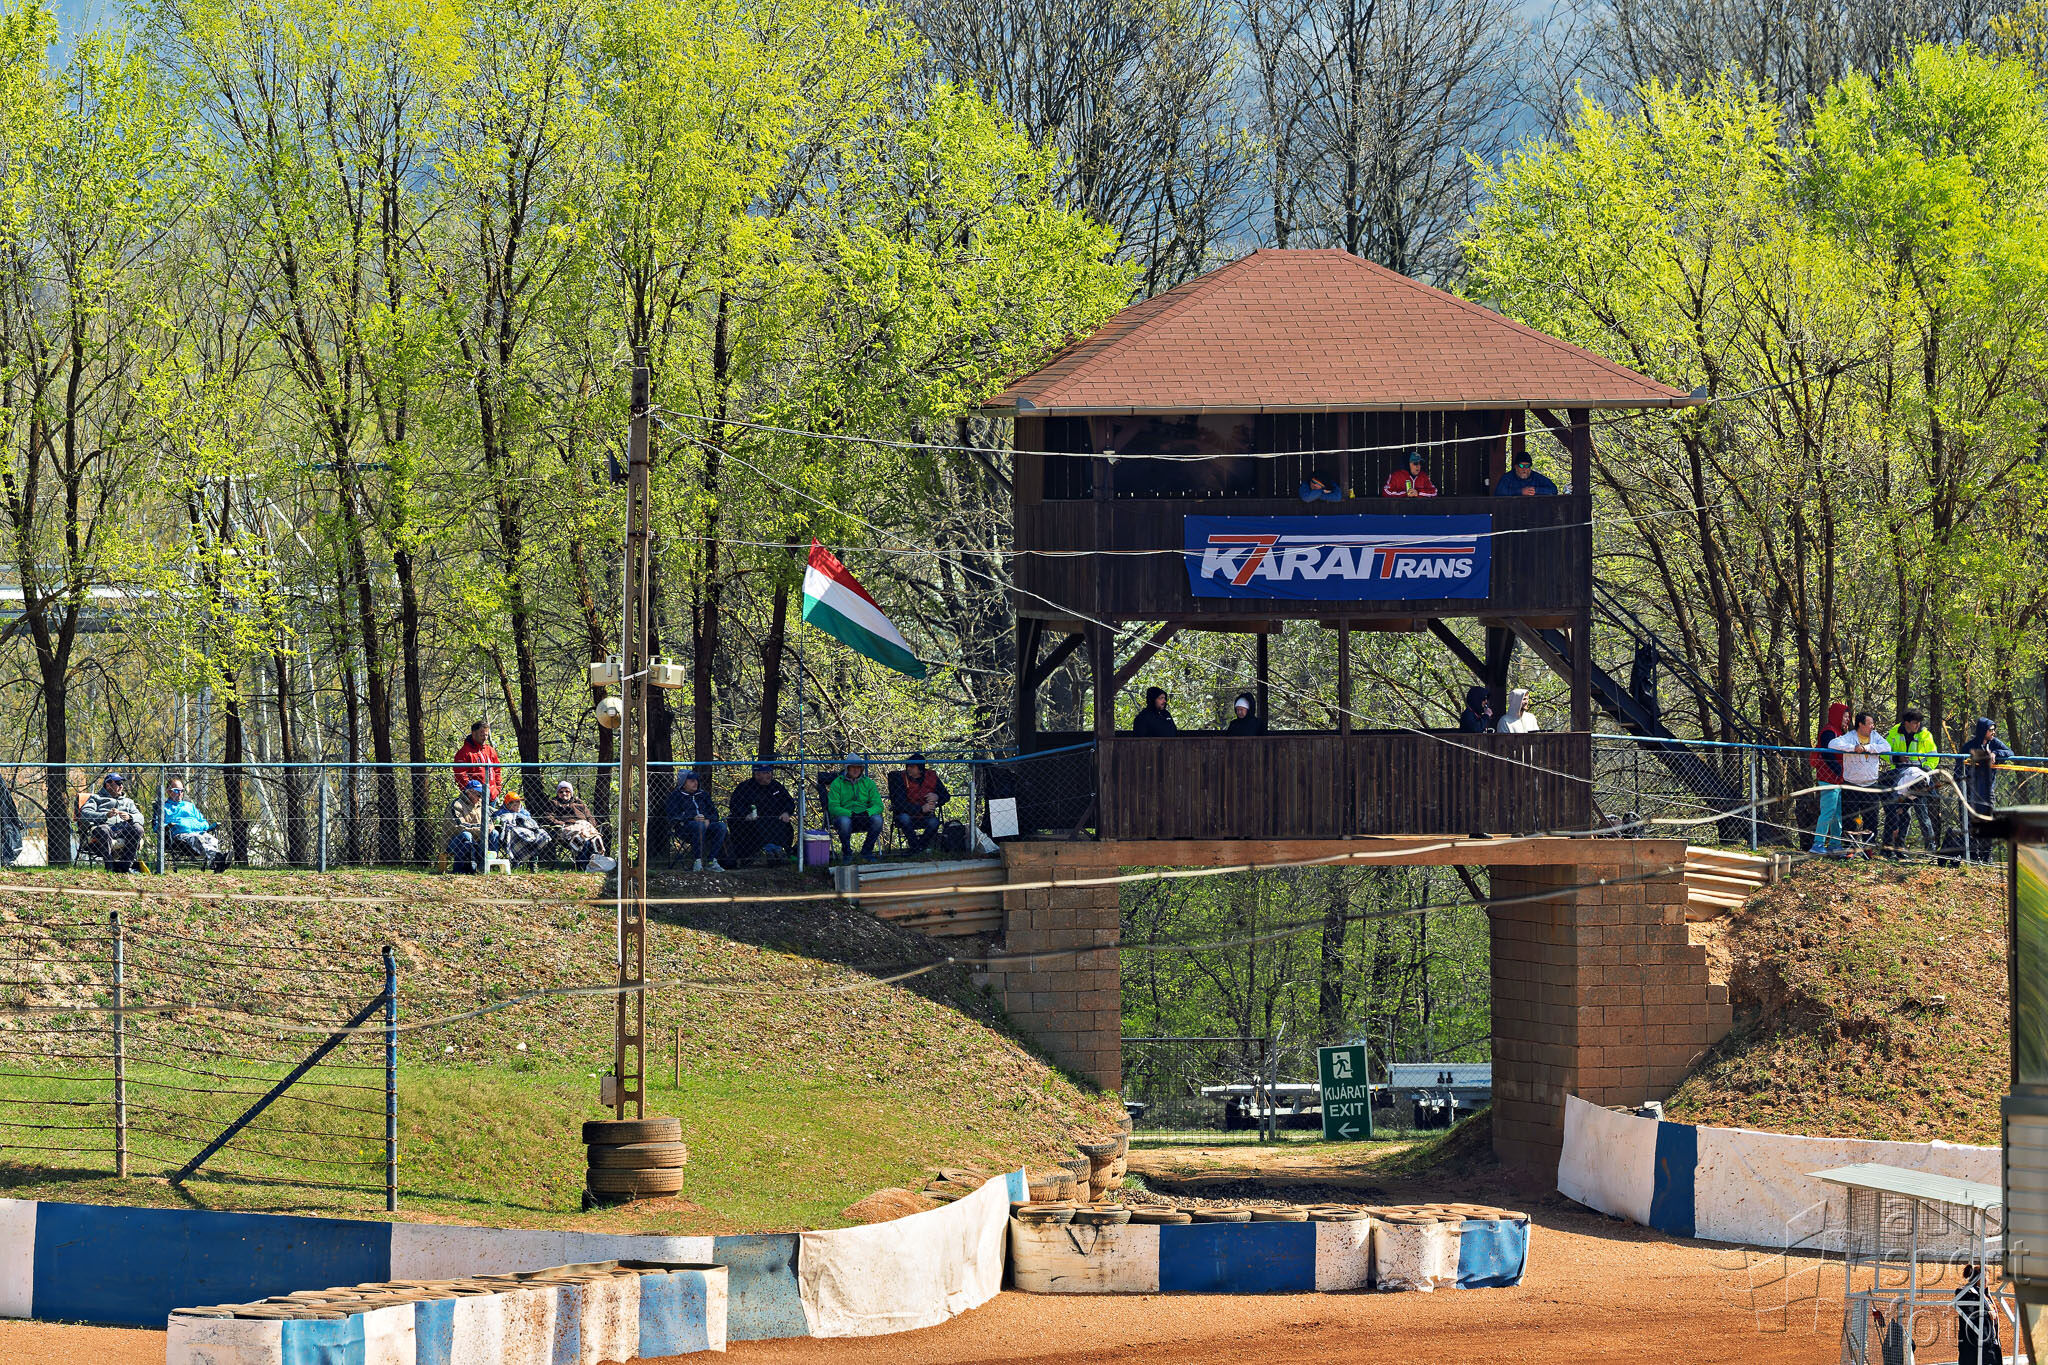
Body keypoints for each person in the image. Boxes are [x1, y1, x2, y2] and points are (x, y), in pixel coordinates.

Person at [1829, 712, 1891, 852]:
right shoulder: (1850, 736)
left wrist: (1866, 748)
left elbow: (1887, 747)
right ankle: (1850, 849)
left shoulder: (1875, 736)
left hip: (1871, 785)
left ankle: (1868, 848)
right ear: (1861, 724)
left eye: (1873, 724)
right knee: (1851, 818)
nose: (1872, 726)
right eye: (1870, 724)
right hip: (1852, 784)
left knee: (1871, 818)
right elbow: (1832, 744)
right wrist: (1853, 748)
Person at [1882, 708, 1939, 858]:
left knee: (1922, 815)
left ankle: (1930, 849)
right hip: (1900, 778)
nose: (1917, 725)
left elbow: (1934, 756)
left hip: (1918, 780)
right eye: (1914, 722)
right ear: (1906, 722)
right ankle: (1899, 848)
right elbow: (1884, 752)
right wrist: (1897, 758)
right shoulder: (1894, 732)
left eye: (1919, 722)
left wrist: (1925, 771)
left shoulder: (1925, 734)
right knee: (1902, 815)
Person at [1959, 717, 2013, 860]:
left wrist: (1996, 754)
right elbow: (1958, 768)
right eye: (1990, 730)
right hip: (1971, 791)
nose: (1993, 732)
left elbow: (2010, 752)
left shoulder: (1994, 743)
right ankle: (1972, 855)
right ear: (1983, 731)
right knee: (1971, 823)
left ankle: (1986, 856)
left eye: (1994, 729)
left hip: (1988, 791)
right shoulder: (1969, 746)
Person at [538, 780, 615, 872]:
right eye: (561, 792)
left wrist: (589, 825)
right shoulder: (553, 803)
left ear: (571, 792)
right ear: (558, 793)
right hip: (567, 829)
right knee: (584, 840)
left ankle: (591, 865)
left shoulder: (580, 804)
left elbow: (590, 818)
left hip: (585, 827)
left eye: (567, 791)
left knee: (591, 839)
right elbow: (548, 818)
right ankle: (583, 866)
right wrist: (562, 824)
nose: (564, 793)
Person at [728, 760, 795, 865]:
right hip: (754, 821)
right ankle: (762, 853)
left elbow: (789, 801)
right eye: (765, 773)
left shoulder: (776, 786)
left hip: (775, 820)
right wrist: (745, 814)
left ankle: (780, 852)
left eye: (770, 772)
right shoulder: (745, 787)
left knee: (785, 827)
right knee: (756, 828)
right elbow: (735, 805)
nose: (769, 775)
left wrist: (786, 812)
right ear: (757, 774)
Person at [80, 772, 145, 872]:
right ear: (108, 785)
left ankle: (125, 866)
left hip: (123, 830)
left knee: (138, 828)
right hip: (105, 829)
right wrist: (105, 815)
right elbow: (85, 813)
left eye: (122, 783)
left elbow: (140, 817)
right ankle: (109, 866)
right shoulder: (96, 798)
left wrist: (130, 817)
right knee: (104, 829)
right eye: (118, 783)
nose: (121, 786)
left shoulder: (128, 801)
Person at [160, 779, 229, 872]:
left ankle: (218, 861)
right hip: (181, 836)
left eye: (182, 790)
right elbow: (158, 827)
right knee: (197, 839)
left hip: (199, 832)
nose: (180, 793)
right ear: (168, 791)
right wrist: (176, 825)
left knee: (211, 839)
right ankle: (219, 858)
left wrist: (197, 826)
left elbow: (204, 822)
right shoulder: (164, 808)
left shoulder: (190, 806)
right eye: (176, 790)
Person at [888, 754, 950, 856]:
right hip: (906, 814)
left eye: (912, 767)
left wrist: (937, 797)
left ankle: (917, 848)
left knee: (934, 822)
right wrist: (921, 809)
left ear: (920, 769)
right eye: (908, 766)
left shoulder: (931, 777)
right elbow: (899, 804)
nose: (908, 769)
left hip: (925, 816)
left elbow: (946, 796)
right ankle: (917, 848)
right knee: (904, 818)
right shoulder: (900, 778)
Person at [826, 755, 885, 863]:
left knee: (877, 820)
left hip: (864, 816)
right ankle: (847, 853)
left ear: (862, 769)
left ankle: (866, 852)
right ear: (847, 768)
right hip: (845, 817)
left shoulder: (868, 783)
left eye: (858, 767)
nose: (856, 770)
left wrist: (867, 813)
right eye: (853, 767)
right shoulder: (837, 783)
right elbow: (833, 807)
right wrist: (851, 814)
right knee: (844, 821)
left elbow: (879, 805)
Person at [666, 770, 727, 871]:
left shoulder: (703, 795)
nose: (695, 783)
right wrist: (692, 818)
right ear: (683, 783)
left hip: (706, 827)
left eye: (696, 780)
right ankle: (697, 861)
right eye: (691, 781)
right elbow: (673, 816)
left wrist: (707, 819)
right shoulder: (676, 796)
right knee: (699, 825)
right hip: (685, 829)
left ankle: (711, 861)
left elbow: (715, 814)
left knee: (721, 826)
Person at [1810, 702, 1849, 856]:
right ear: (1837, 716)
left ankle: (1835, 843)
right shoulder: (1829, 731)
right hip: (1828, 777)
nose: (1847, 720)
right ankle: (1818, 843)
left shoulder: (1839, 732)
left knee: (1837, 813)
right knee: (1828, 811)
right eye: (1845, 717)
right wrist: (1838, 769)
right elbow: (1826, 753)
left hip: (1837, 778)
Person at [453, 721, 502, 802]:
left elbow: (497, 770)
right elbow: (460, 774)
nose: (485, 738)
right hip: (475, 798)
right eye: (482, 735)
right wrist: (470, 791)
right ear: (473, 734)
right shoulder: (464, 753)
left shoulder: (490, 750)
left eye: (486, 735)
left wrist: (498, 788)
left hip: (492, 795)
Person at [446, 778, 487, 873]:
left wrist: (484, 829)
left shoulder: (481, 804)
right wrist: (482, 829)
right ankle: (460, 869)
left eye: (481, 794)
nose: (480, 797)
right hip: (454, 840)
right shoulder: (456, 805)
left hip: (477, 837)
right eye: (478, 794)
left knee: (494, 833)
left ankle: (484, 868)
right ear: (469, 792)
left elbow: (490, 823)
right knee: (466, 835)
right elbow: (460, 827)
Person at [1492, 452, 1558, 497]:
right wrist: (1520, 491)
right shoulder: (1507, 478)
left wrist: (1536, 490)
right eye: (1521, 466)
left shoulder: (1537, 477)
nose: (1524, 469)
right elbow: (1498, 493)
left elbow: (1554, 490)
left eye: (1527, 466)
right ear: (1515, 467)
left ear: (1530, 467)